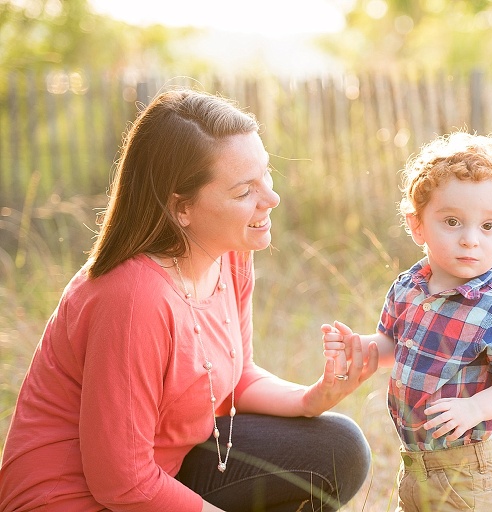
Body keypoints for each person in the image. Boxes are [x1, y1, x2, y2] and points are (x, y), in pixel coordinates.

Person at [0, 89, 379, 512]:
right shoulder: (132, 298)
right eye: (243, 192)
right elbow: (121, 484)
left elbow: (237, 377)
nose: (270, 198)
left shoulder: (231, 254)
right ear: (181, 208)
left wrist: (310, 399)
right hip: (77, 499)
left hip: (164, 472)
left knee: (338, 448)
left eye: (266, 174)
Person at [323, 131, 492, 512]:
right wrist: (361, 348)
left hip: (470, 471)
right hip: (417, 463)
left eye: (488, 226)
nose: (470, 240)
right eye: (453, 221)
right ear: (417, 225)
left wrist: (476, 408)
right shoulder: (409, 288)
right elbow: (397, 346)